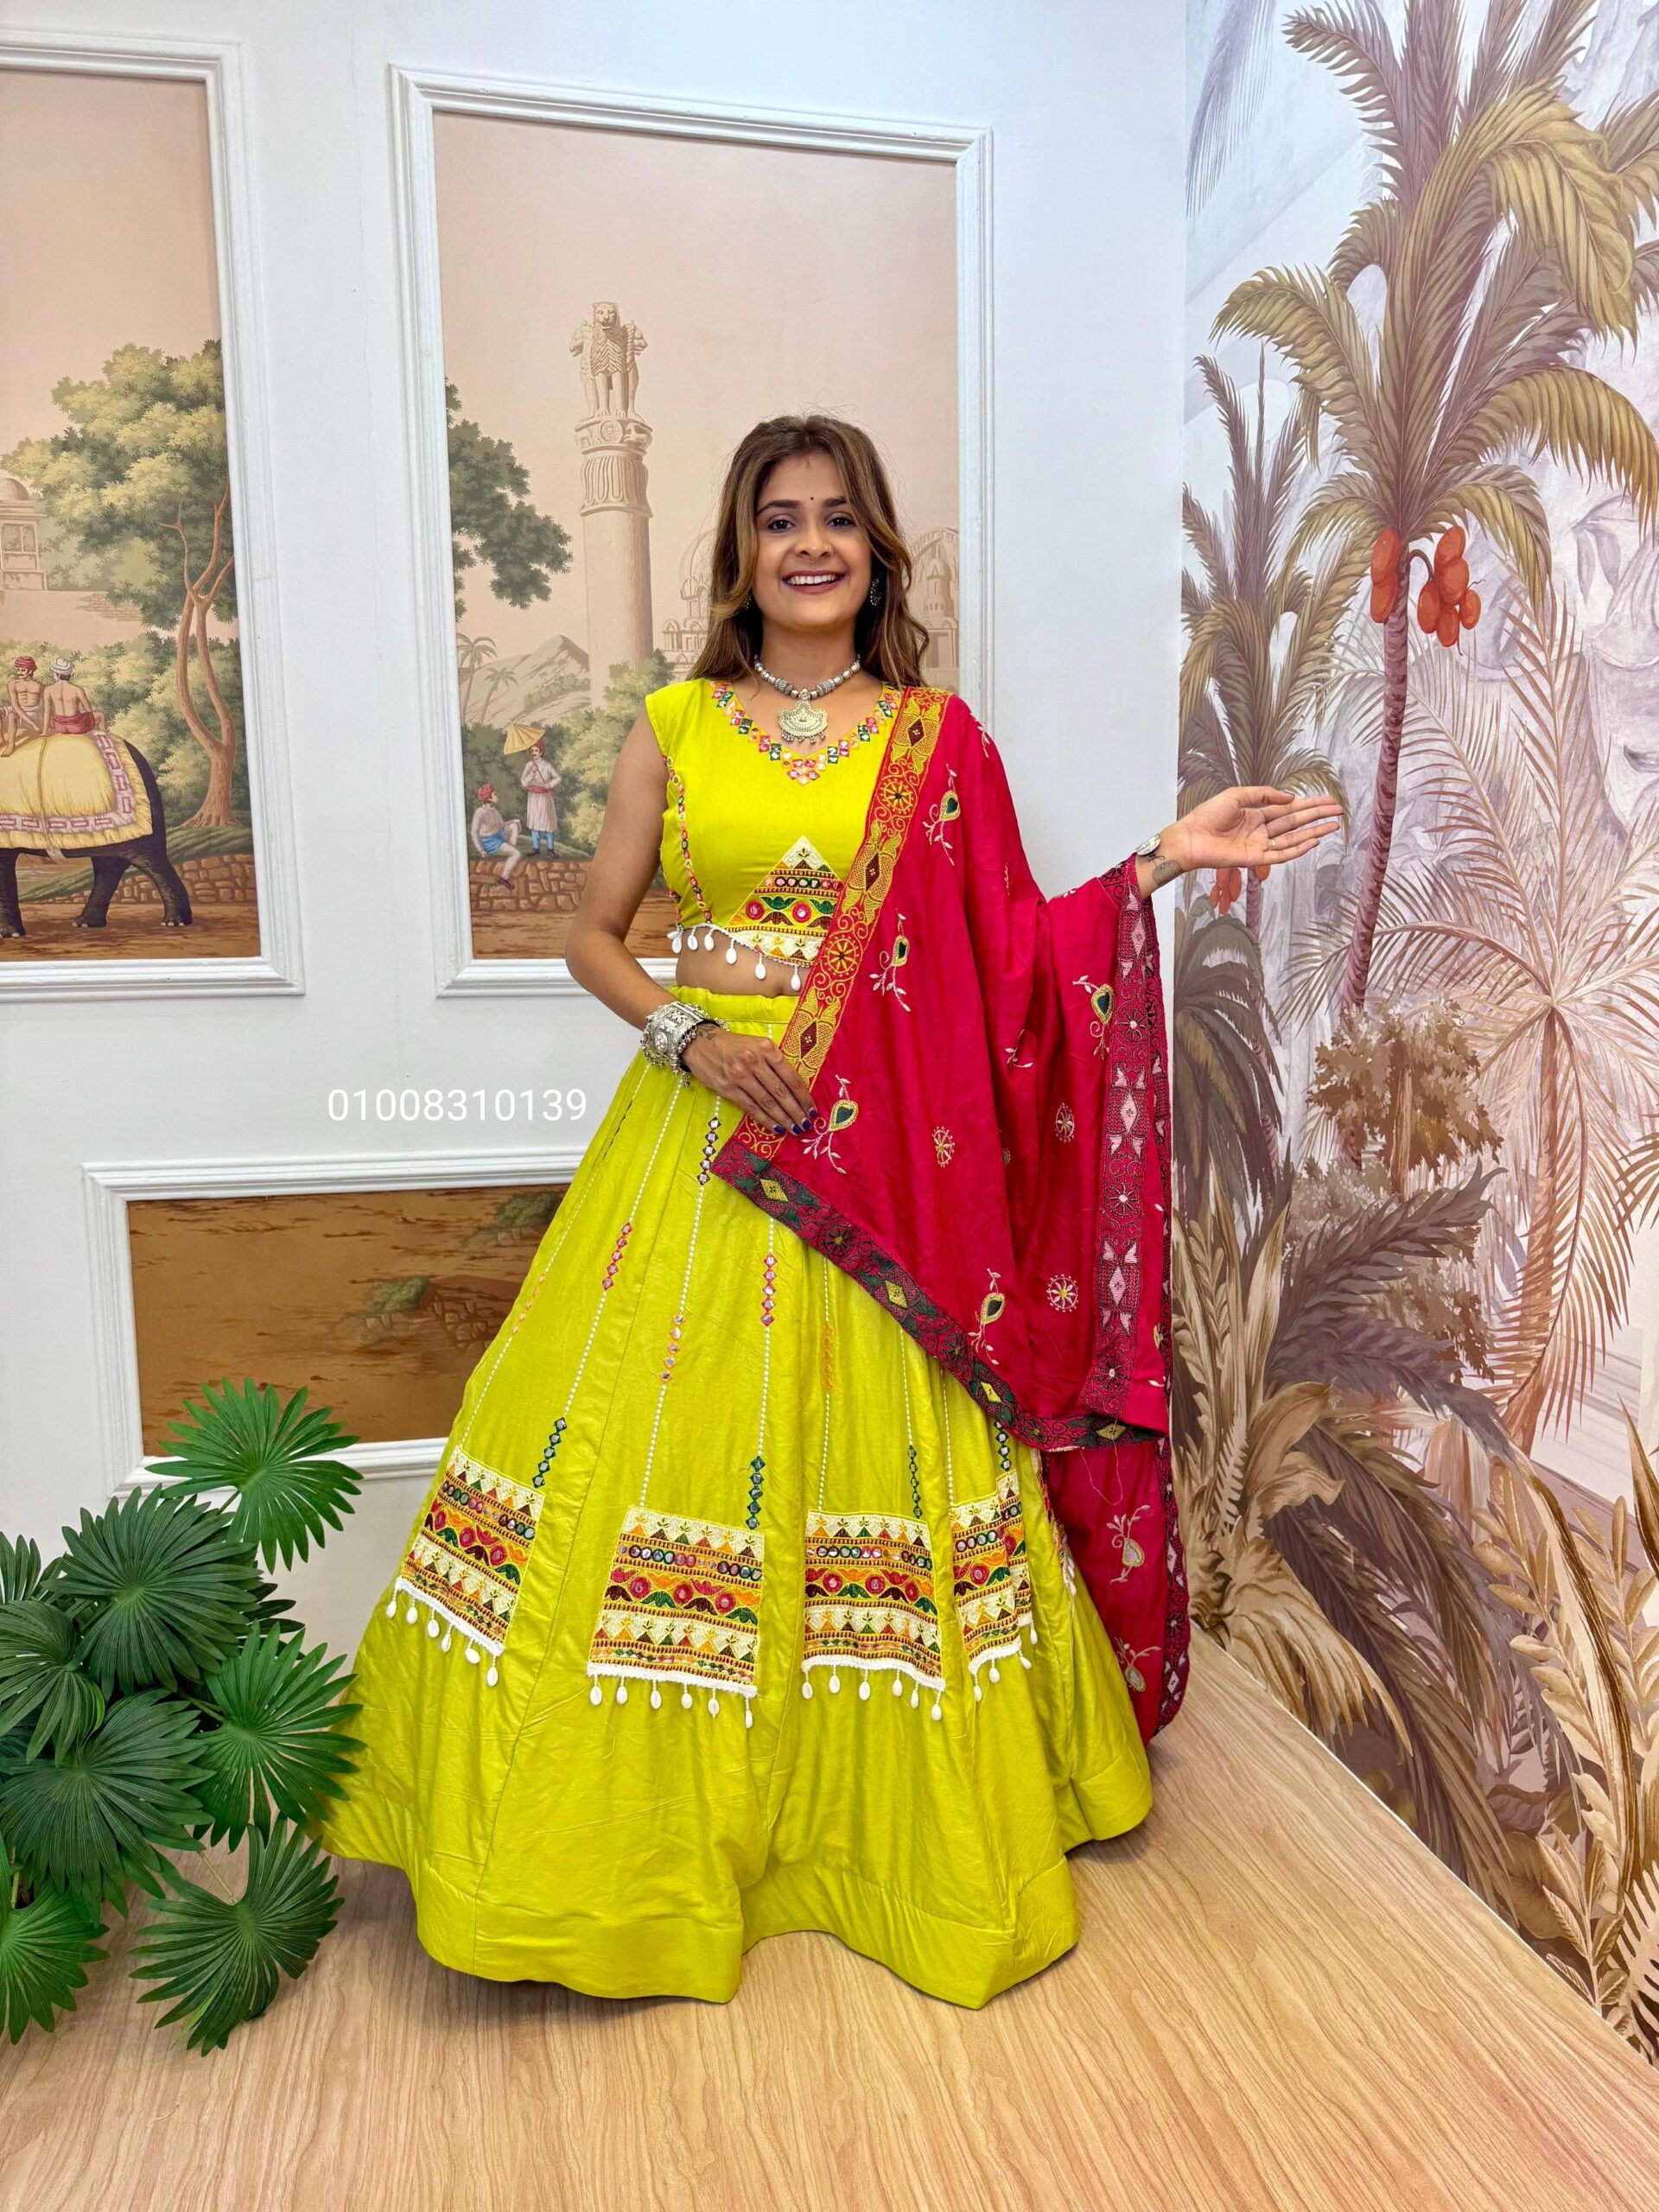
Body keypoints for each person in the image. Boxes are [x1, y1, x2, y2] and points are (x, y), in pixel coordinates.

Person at [321, 414, 1341, 2005]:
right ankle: (602, 1845)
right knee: (645, 1451)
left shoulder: (940, 740)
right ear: (742, 550)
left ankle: (879, 1831)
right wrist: (691, 1037)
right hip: (709, 1132)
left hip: (884, 1158)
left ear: (878, 551)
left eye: (840, 518)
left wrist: (1158, 861)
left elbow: (1010, 956)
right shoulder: (676, 723)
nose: (811, 544)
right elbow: (595, 935)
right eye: (781, 518)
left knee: (877, 1464)